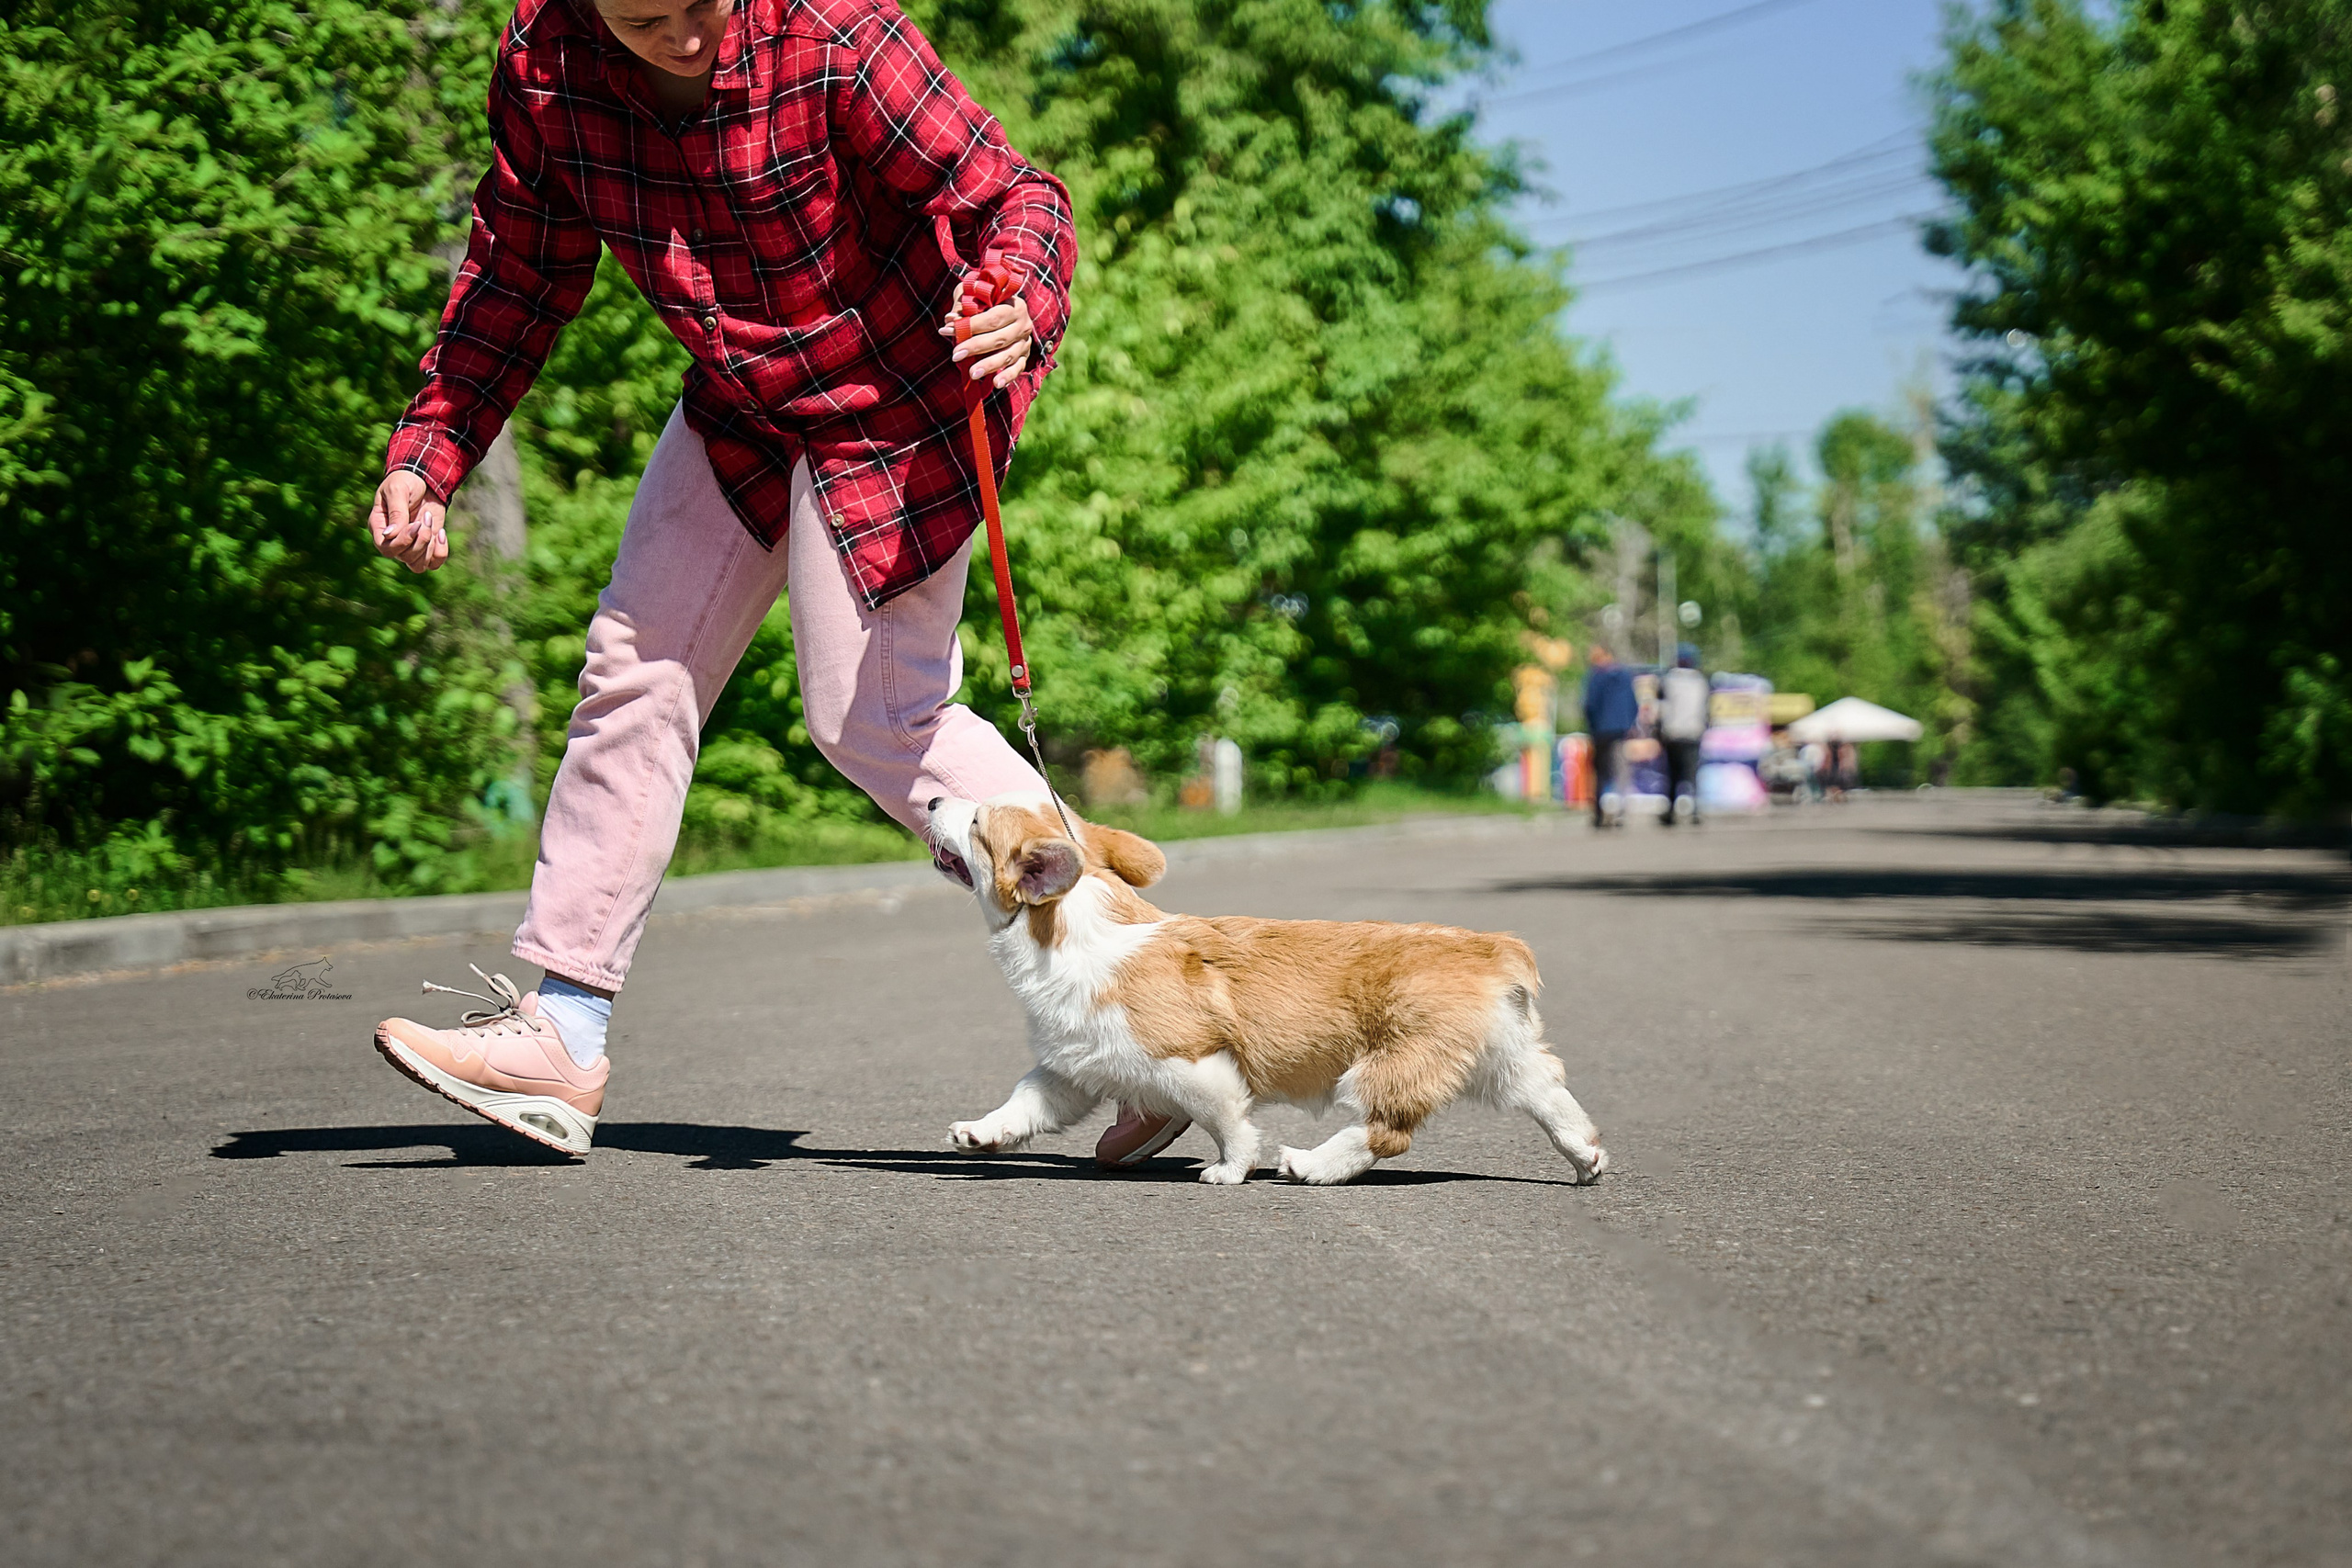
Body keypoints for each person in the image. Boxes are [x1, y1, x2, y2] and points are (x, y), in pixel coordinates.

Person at [364, 0, 1182, 1168]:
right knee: (632, 668)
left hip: (901, 396)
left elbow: (1018, 192)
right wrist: (433, 449)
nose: (686, 36)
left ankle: (1142, 1019)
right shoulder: (545, 65)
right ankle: (562, 1029)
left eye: (702, 4)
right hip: (746, 401)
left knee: (874, 720)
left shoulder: (835, 32)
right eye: (648, 18)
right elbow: (517, 265)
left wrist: (1016, 292)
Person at [1580, 646, 1638, 828]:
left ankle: (1599, 813)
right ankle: (1619, 811)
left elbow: (1589, 705)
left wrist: (1592, 726)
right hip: (1620, 731)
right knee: (1620, 770)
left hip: (1600, 731)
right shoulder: (1624, 676)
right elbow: (1633, 704)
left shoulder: (1595, 676)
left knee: (1601, 773)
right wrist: (1628, 725)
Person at [1657, 642, 1708, 825]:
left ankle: (1670, 812)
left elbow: (1661, 708)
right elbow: (1706, 709)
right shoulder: (1701, 681)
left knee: (1671, 775)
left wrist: (1658, 731)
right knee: (1691, 775)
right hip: (1693, 732)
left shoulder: (1668, 680)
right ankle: (1695, 810)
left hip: (1673, 733)